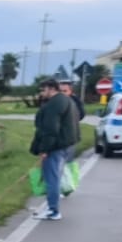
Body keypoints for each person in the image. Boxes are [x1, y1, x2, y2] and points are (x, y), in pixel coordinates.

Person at [30, 78, 79, 221]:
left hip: (55, 147)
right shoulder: (67, 101)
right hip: (67, 144)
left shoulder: (53, 105)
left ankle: (53, 211)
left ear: (51, 89)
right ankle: (52, 206)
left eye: (43, 90)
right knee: (56, 176)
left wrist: (44, 149)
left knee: (52, 179)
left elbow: (50, 129)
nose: (41, 93)